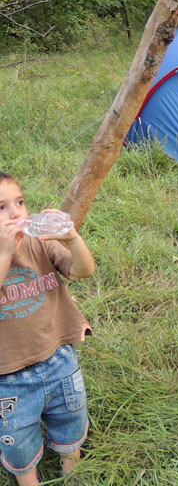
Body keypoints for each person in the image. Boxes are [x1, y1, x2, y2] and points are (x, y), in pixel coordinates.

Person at [0, 172, 95, 485]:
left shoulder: (39, 244)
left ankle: (73, 472)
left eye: (20, 202)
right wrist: (4, 252)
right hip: (8, 378)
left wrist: (72, 239)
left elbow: (82, 270)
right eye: (1, 207)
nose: (16, 213)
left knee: (70, 418)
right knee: (18, 438)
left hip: (58, 359)